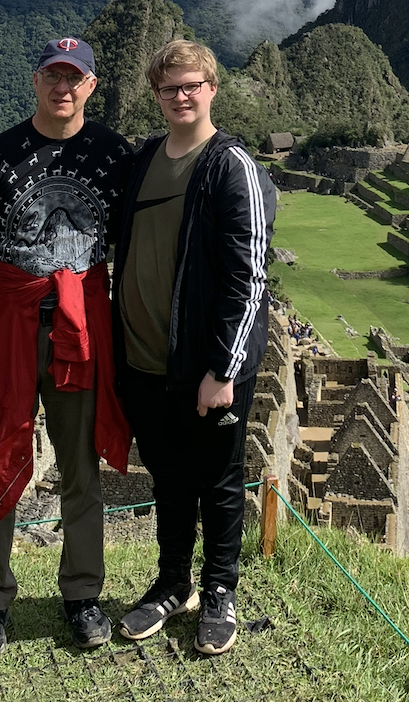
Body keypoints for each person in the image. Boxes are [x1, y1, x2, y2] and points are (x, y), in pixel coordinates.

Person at [0, 37, 132, 661]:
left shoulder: (114, 154)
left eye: (74, 78)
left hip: (82, 325)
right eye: (53, 75)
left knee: (80, 468)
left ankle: (82, 595)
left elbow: (131, 249)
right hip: (9, 321)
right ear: (35, 81)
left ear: (91, 86)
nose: (63, 87)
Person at [111, 39, 275, 656]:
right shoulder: (146, 157)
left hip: (208, 365)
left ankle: (219, 590)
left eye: (191, 86)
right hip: (145, 358)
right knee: (170, 478)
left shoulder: (232, 166)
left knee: (220, 479)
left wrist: (224, 369)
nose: (181, 97)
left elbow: (249, 277)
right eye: (168, 88)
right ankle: (172, 582)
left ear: (212, 88)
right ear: (155, 94)